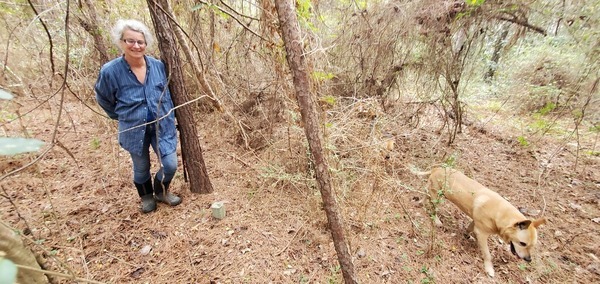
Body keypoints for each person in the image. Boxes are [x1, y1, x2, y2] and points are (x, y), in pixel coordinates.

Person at [95, 19, 182, 213]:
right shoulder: (110, 71)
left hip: (162, 126)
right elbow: (102, 97)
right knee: (141, 166)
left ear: (146, 44)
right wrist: (118, 115)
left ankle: (161, 191)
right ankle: (146, 197)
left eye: (140, 42)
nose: (136, 46)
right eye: (130, 41)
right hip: (133, 129)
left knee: (170, 164)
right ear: (121, 42)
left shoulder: (159, 66)